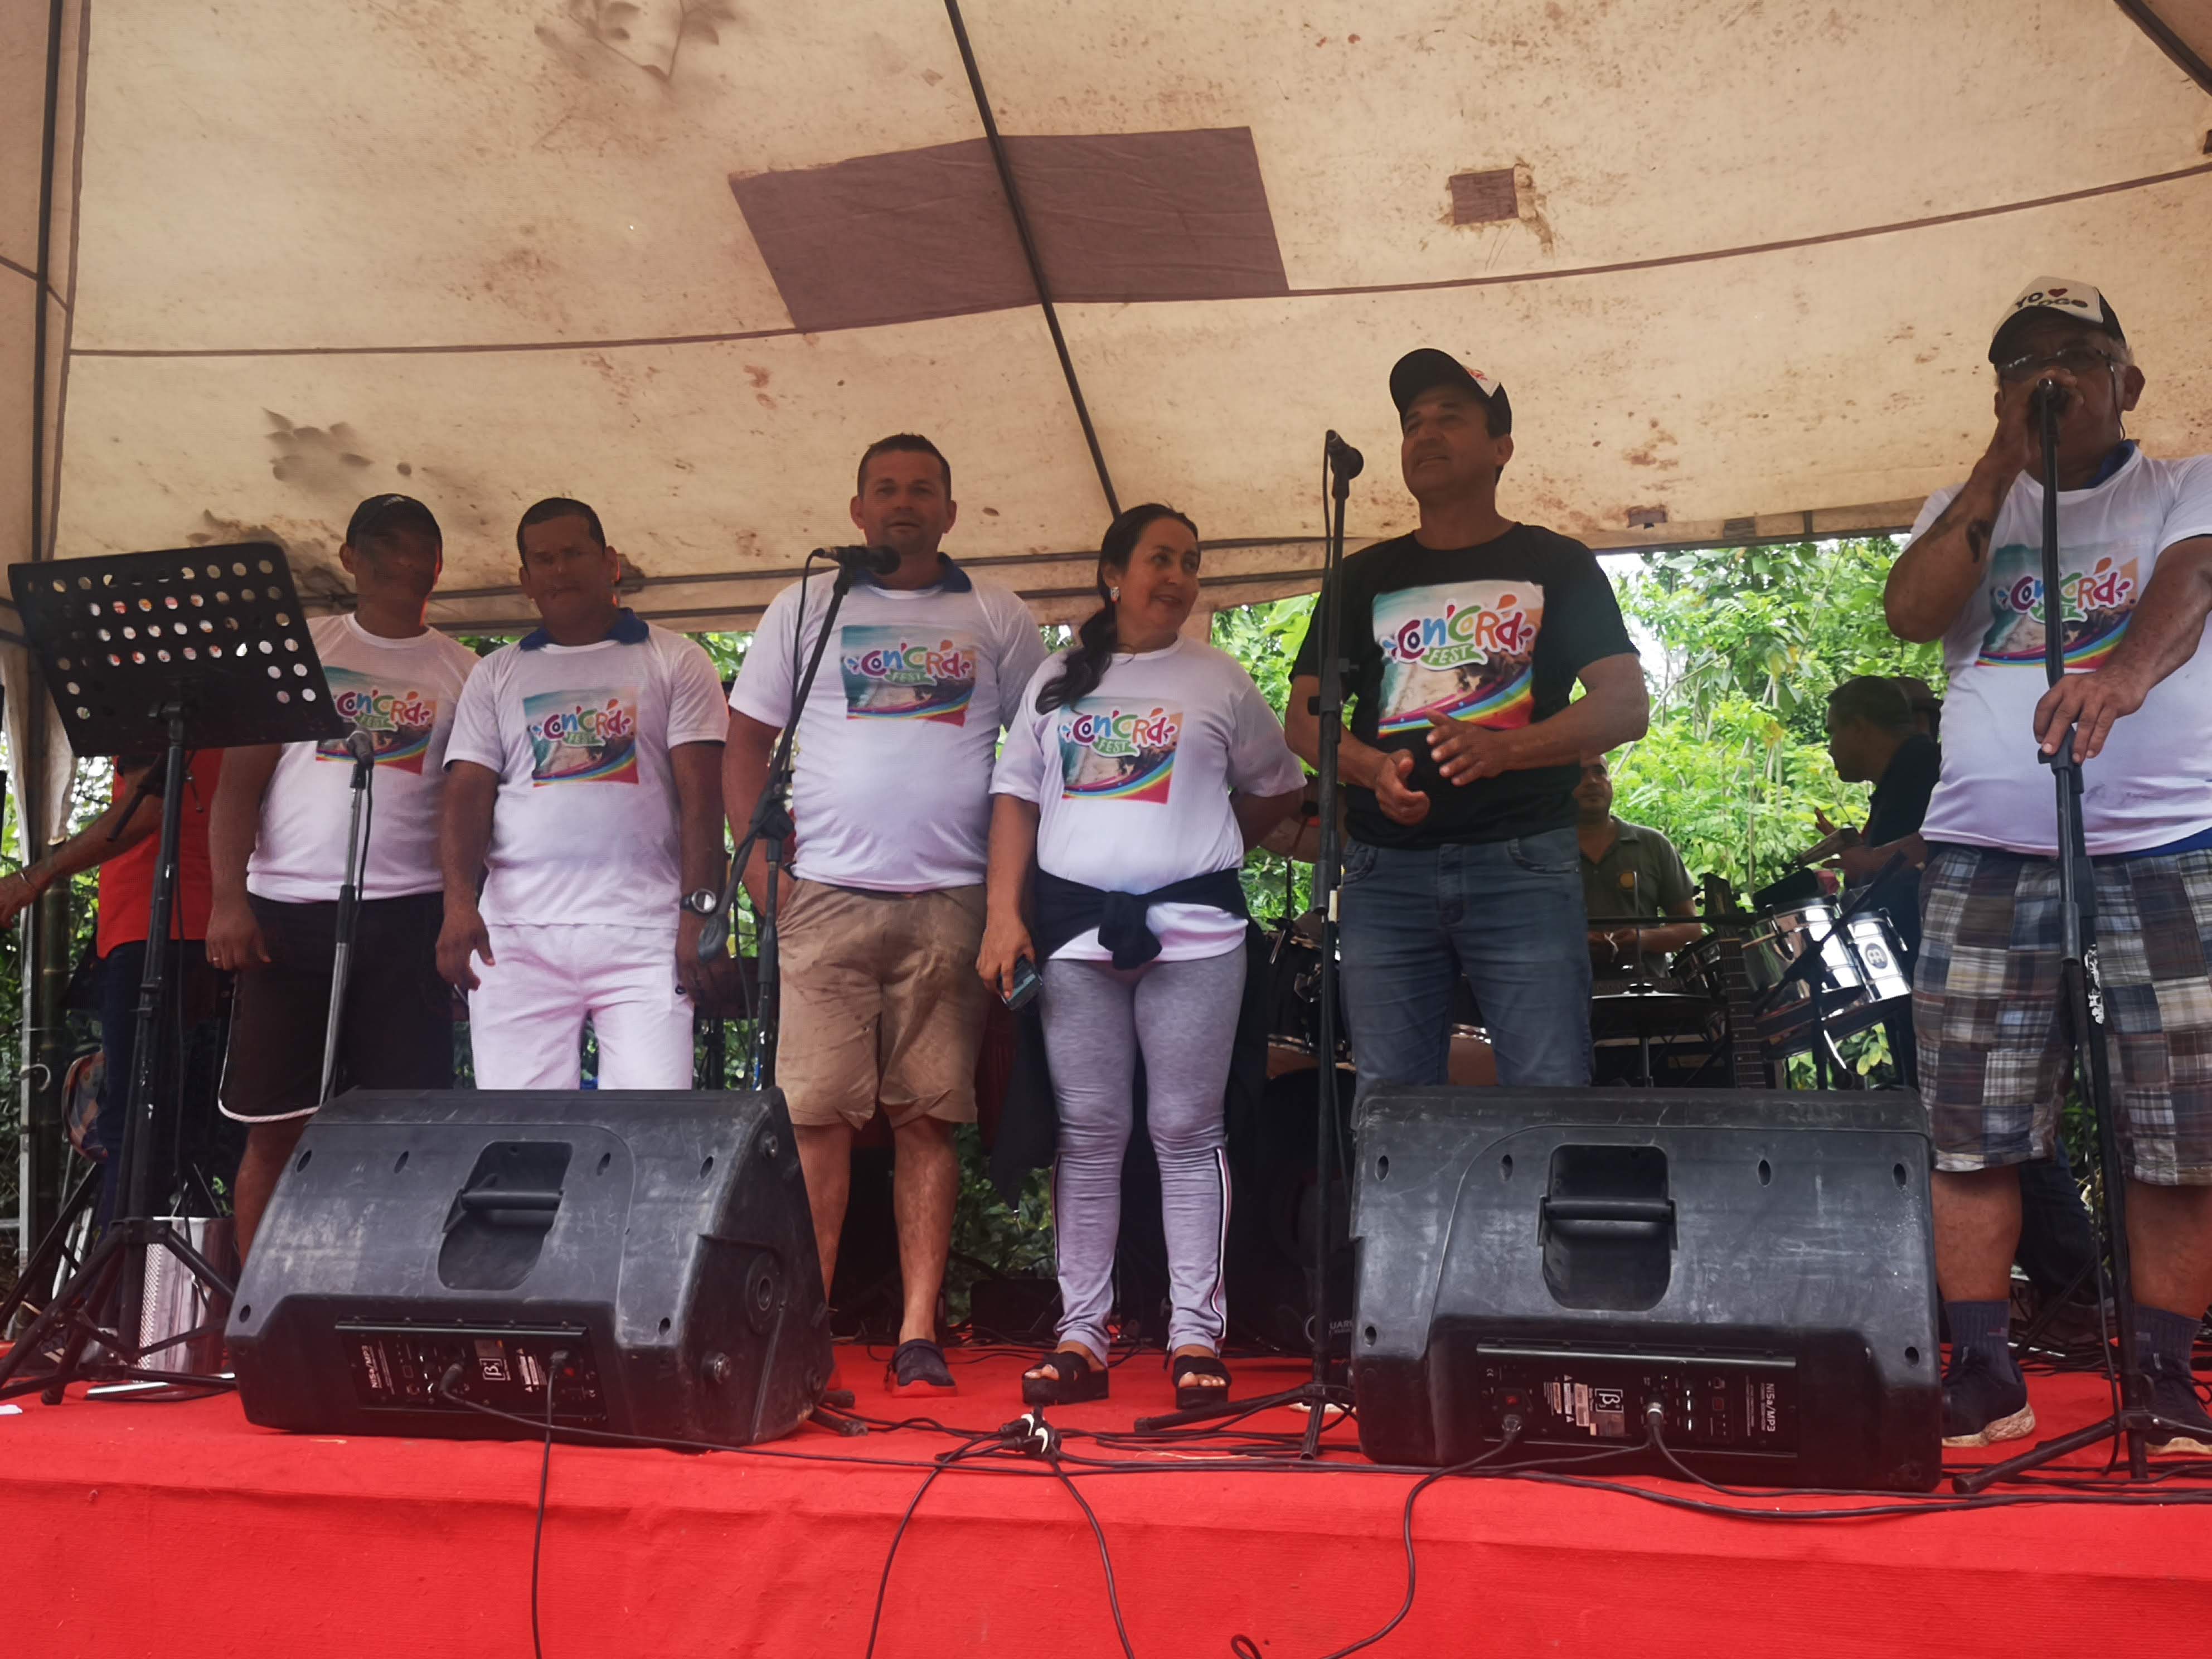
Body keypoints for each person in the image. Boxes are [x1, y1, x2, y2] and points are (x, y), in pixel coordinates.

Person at [1884, 276, 2212, 1453]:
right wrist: (1995, 467)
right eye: (2022, 365)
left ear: (2128, 381)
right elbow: (1910, 613)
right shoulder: (1964, 504)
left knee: (2181, 1129)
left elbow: (2193, 580)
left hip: (2167, 848)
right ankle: (1983, 1372)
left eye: (2074, 356)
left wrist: (2118, 679)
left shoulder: (2185, 484)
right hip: (1986, 856)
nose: (2049, 378)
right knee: (1967, 1125)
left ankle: (2163, 1379)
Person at [725, 435, 1047, 1394]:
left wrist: (1008, 902)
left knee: (929, 1118)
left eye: (922, 490)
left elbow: (1038, 757)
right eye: (885, 489)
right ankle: (809, 1326)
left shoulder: (997, 614)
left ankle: (918, 1332)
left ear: (951, 511)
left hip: (950, 901)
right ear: (857, 510)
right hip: (823, 897)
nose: (903, 503)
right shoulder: (807, 607)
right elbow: (745, 741)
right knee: (816, 1122)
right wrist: (761, 877)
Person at [977, 505, 1304, 1406]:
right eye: (1161, 558)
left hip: (1196, 939)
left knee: (1187, 1133)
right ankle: (1081, 1336)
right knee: (1088, 1136)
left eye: (1191, 563)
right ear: (1113, 574)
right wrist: (1002, 915)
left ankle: (1196, 1335)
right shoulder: (1055, 678)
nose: (1179, 577)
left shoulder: (1219, 678)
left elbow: (1279, 788)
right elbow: (1015, 799)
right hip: (1076, 939)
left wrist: (1203, 854)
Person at [1284, 349, 1647, 1093]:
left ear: (1501, 448)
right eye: (1412, 422)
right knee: (1390, 1102)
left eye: (1450, 417)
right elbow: (1302, 716)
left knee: (1548, 1088)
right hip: (1384, 870)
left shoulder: (1557, 562)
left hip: (1522, 863)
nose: (1425, 433)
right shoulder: (1361, 576)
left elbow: (1624, 704)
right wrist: (1371, 770)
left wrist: (1506, 751)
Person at [207, 494, 479, 1262]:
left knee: (407, 1128)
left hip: (409, 920)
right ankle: (260, 1303)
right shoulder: (299, 650)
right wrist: (229, 900)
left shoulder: (467, 672)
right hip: (286, 914)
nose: (402, 557)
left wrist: (462, 913)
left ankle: (393, 1290)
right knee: (276, 1127)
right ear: (349, 558)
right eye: (384, 543)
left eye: (419, 545)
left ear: (438, 566)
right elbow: (238, 786)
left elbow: (473, 807)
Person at [438, 497, 727, 1089]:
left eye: (574, 553)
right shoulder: (495, 673)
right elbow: (467, 796)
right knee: (520, 1129)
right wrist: (458, 906)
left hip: (644, 933)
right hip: (515, 939)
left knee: (649, 1125)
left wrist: (699, 913)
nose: (560, 570)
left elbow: (703, 801)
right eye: (543, 560)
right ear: (525, 580)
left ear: (610, 562)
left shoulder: (675, 659)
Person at [0, 752, 231, 1226]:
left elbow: (145, 810)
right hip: (215, 926)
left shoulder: (148, 704)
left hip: (153, 928)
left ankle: (120, 1272)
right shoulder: (237, 713)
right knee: (193, 1132)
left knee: (133, 1128)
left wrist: (34, 877)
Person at [1798, 675, 1941, 952]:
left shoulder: (1920, 773)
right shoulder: (1906, 772)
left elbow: (1909, 880)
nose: (1830, 749)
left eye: (1833, 732)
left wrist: (1868, 864)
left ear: (1859, 728)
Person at [1575, 755, 1699, 979]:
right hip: (1563, 993)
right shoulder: (1543, 851)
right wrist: (1574, 944)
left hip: (1649, 992)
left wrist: (1645, 940)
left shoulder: (1653, 844)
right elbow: (1522, 933)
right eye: (1579, 774)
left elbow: (1692, 928)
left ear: (1610, 781)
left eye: (1600, 772)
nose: (1592, 781)